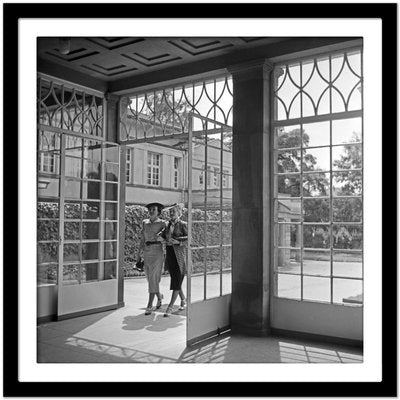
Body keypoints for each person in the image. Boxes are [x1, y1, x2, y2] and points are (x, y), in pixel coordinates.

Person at [136, 202, 166, 315]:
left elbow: (167, 239)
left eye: (154, 209)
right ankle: (159, 296)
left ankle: (149, 305)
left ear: (158, 211)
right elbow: (142, 239)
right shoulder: (145, 223)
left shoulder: (163, 224)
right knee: (149, 277)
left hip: (158, 252)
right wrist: (138, 255)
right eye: (150, 209)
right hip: (147, 252)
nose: (151, 211)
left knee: (153, 278)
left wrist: (161, 239)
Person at [162, 203, 188, 317]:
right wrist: (160, 238)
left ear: (179, 213)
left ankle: (170, 307)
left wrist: (178, 241)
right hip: (170, 255)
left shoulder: (183, 224)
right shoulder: (167, 225)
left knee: (176, 281)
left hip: (179, 256)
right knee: (176, 280)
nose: (171, 213)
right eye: (170, 212)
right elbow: (163, 235)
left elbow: (189, 238)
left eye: (173, 212)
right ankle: (183, 299)